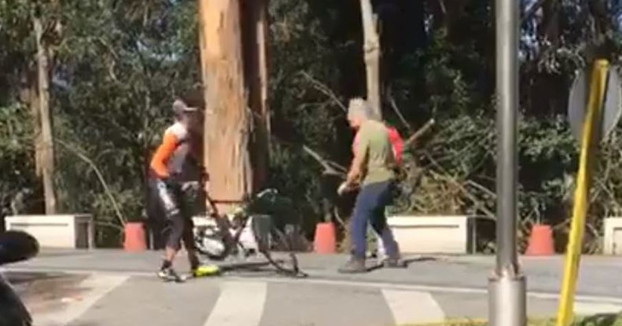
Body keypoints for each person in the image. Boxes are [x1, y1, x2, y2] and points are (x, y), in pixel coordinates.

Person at [338, 98, 403, 273]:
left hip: (374, 181)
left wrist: (348, 182)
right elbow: (391, 159)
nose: (351, 123)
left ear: (359, 115)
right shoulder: (383, 129)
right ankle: (393, 255)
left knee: (359, 218)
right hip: (387, 180)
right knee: (377, 218)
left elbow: (358, 162)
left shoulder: (365, 131)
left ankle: (358, 258)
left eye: (351, 119)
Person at [148, 96, 207, 282]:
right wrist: (173, 182)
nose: (195, 118)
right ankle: (166, 267)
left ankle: (195, 264)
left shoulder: (188, 135)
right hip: (161, 183)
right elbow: (156, 162)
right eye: (191, 115)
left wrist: (200, 172)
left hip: (171, 183)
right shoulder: (176, 133)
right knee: (178, 223)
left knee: (187, 223)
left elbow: (187, 159)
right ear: (183, 116)